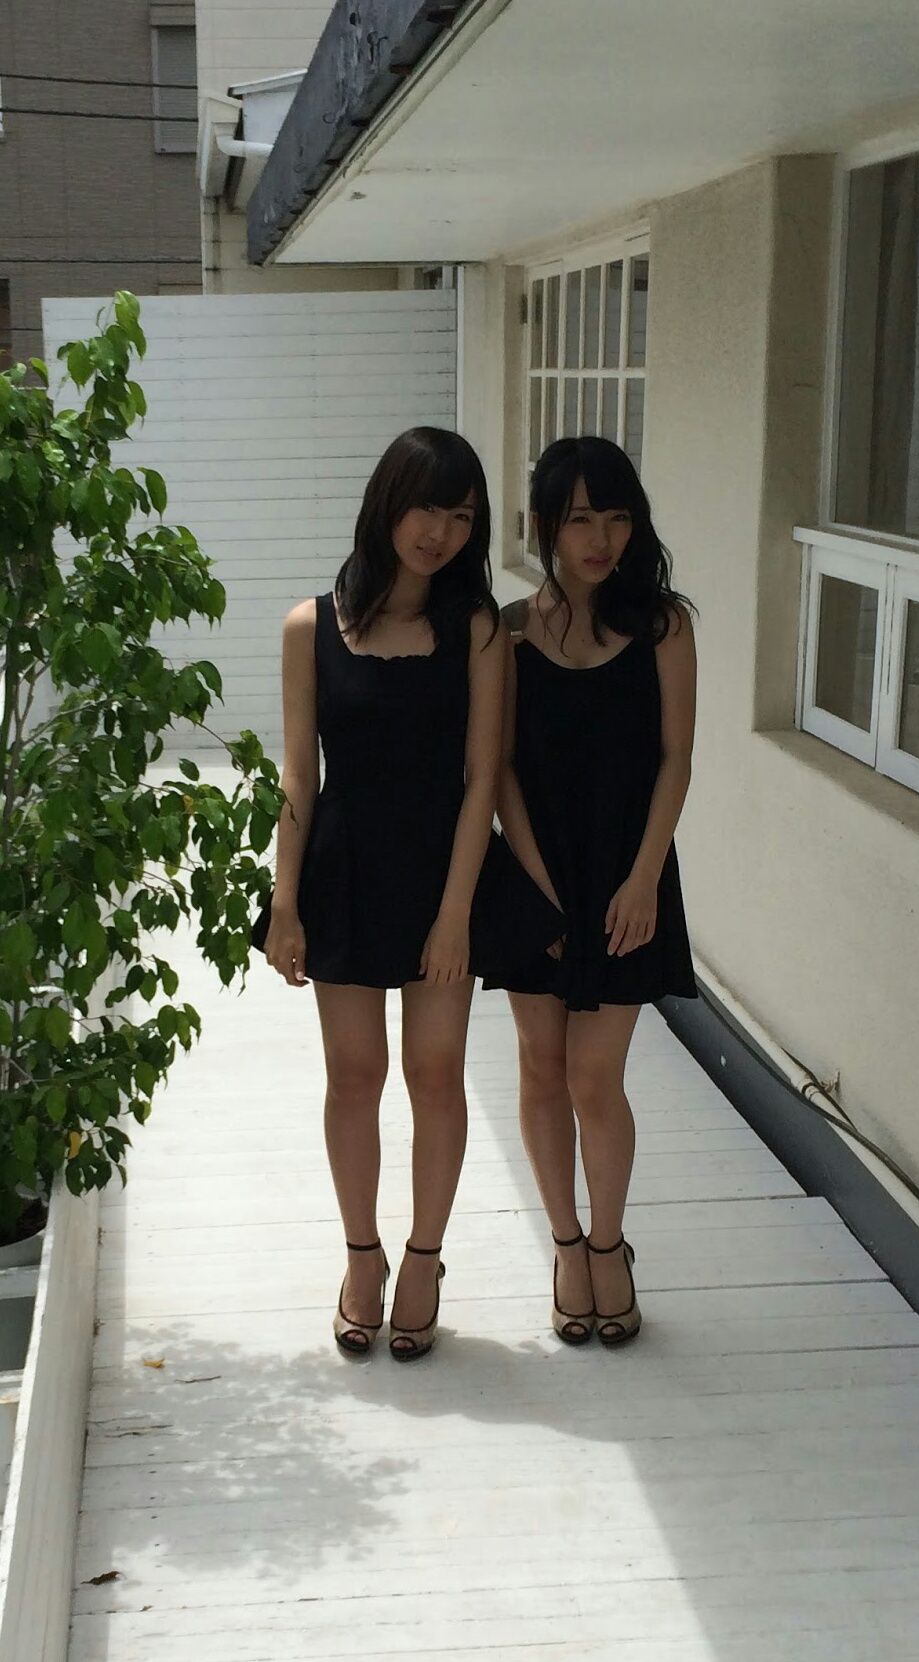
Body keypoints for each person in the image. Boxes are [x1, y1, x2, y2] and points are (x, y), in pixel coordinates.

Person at [252, 427, 560, 1362]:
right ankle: (362, 1258)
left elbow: (482, 778)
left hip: (441, 871)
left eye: (462, 516)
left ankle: (424, 1258)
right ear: (388, 502)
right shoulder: (309, 626)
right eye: (428, 507)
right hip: (344, 870)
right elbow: (298, 778)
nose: (440, 532)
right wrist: (284, 902)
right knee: (354, 1076)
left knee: (435, 1074)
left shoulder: (478, 631)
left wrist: (457, 914)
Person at [487, 435, 698, 1348]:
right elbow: (498, 769)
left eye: (617, 517)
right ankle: (566, 1247)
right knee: (540, 1068)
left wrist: (645, 876)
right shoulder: (508, 630)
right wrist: (535, 887)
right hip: (537, 871)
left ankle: (609, 1245)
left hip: (627, 876)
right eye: (581, 519)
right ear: (546, 526)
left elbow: (676, 758)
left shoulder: (664, 626)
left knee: (593, 1075)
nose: (601, 538)